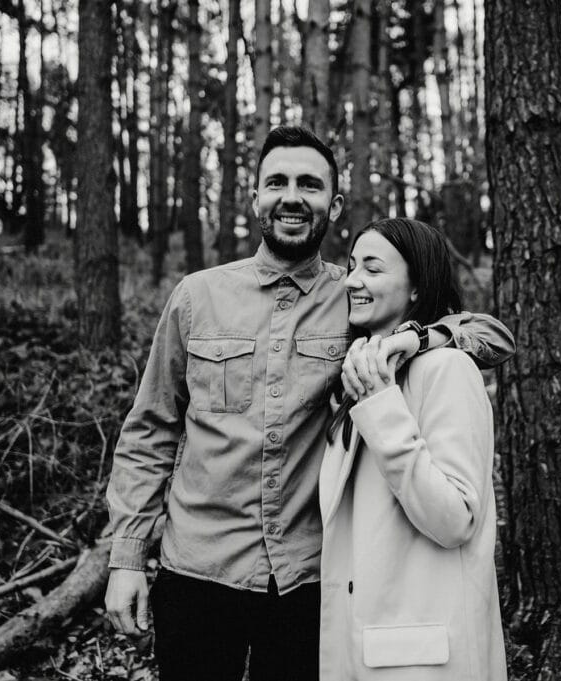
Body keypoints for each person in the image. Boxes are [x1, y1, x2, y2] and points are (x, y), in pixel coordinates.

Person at [104, 126, 514, 681]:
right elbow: (150, 429)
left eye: (309, 184)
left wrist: (420, 338)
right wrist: (127, 558)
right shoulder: (197, 297)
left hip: (309, 582)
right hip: (197, 572)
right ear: (255, 199)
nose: (291, 196)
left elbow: (491, 335)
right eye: (276, 182)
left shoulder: (356, 296)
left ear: (333, 204)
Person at [319, 218, 508, 680]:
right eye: (350, 265)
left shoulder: (446, 370)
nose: (353, 280)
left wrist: (383, 409)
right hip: (359, 647)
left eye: (372, 268)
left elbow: (455, 517)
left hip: (423, 659)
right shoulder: (362, 375)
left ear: (417, 287)